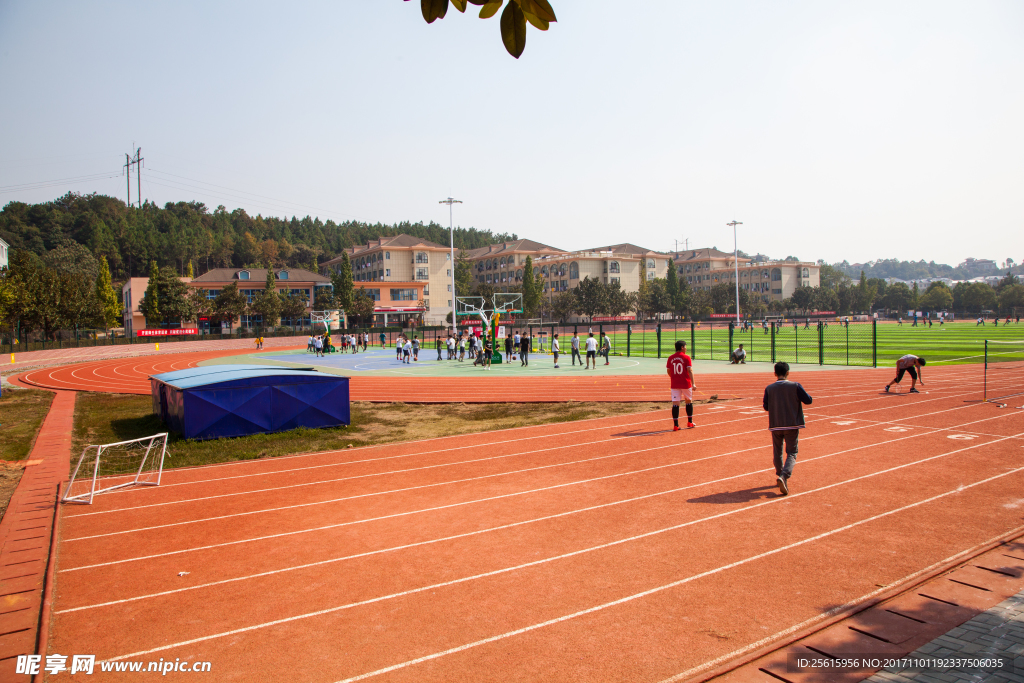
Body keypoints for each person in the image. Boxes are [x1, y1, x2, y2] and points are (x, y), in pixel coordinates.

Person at [763, 361, 813, 496]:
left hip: (775, 424)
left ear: (775, 373)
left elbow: (766, 407)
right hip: (792, 424)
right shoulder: (795, 386)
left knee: (777, 451)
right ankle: (784, 476)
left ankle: (779, 473)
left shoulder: (769, 388)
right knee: (792, 452)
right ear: (788, 373)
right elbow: (808, 400)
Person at [666, 340, 695, 431]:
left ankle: (676, 425)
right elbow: (690, 370)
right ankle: (690, 422)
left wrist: (674, 377)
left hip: (675, 384)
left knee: (675, 403)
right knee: (688, 401)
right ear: (682, 347)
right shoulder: (686, 357)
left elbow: (668, 371)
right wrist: (693, 383)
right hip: (686, 383)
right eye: (685, 347)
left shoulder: (670, 358)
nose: (686, 348)